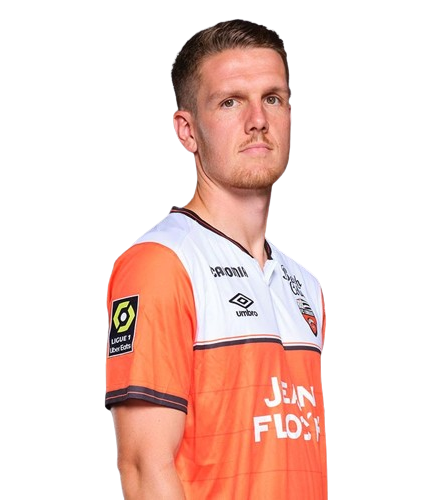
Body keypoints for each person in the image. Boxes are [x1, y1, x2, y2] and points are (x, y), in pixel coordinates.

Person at [105, 19, 327, 499]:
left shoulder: (305, 284)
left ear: (290, 114)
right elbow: (144, 468)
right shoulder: (161, 265)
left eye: (272, 98)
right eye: (230, 101)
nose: (257, 119)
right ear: (187, 131)